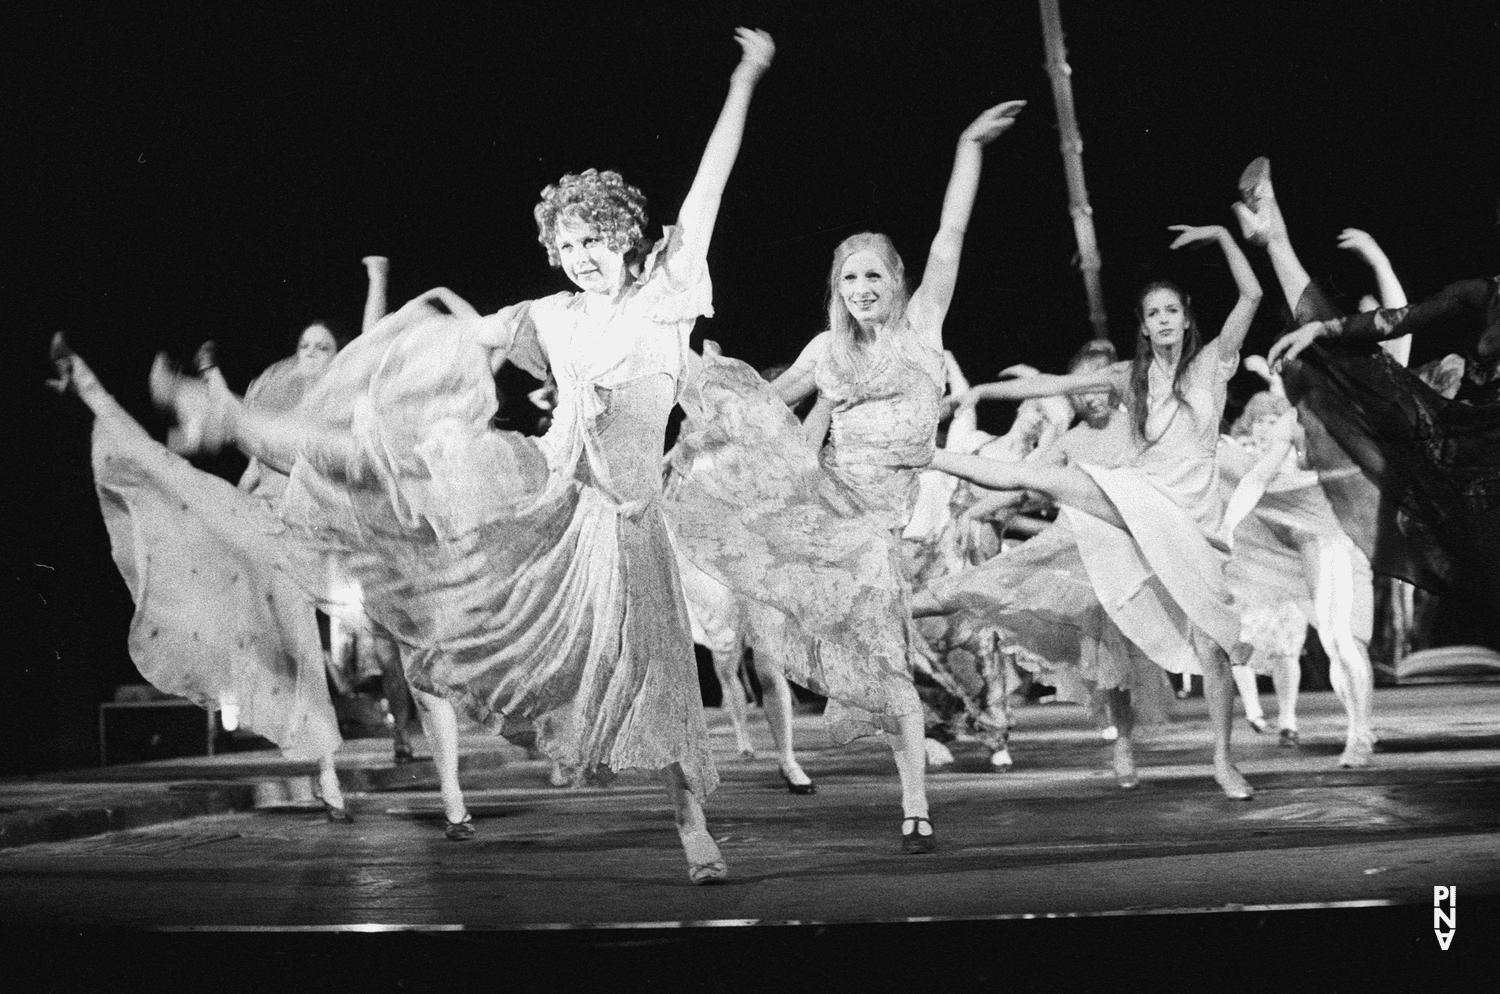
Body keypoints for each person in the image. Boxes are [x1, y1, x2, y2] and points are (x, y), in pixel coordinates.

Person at [150, 28, 775, 883]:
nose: (585, 256)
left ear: (628, 236)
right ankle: (226, 417)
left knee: (658, 664)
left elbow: (712, 178)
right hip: (557, 497)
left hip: (635, 517)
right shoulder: (550, 316)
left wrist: (745, 75)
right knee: (396, 448)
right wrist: (399, 364)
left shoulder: (670, 292)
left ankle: (691, 821)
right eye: (569, 244)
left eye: (597, 239)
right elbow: (449, 345)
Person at [667, 99, 1027, 853]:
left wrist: (967, 146)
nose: (861, 287)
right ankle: (909, 792)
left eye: (872, 275)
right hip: (834, 517)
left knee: (892, 661)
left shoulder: (923, 326)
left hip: (894, 519)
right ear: (838, 287)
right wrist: (692, 415)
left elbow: (950, 234)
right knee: (877, 659)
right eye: (849, 277)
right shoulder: (825, 352)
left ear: (896, 280)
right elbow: (763, 406)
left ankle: (915, 803)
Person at [912, 218, 1265, 799]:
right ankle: (925, 456)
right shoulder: (1132, 377)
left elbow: (1251, 295)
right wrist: (977, 394)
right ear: (1145, 327)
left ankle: (1224, 761)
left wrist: (1224, 238)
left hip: (1194, 525)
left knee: (1215, 649)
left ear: (1185, 315)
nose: (1163, 321)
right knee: (1040, 479)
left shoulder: (1213, 366)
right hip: (1139, 500)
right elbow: (1048, 383)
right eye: (1153, 315)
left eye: (1171, 311)